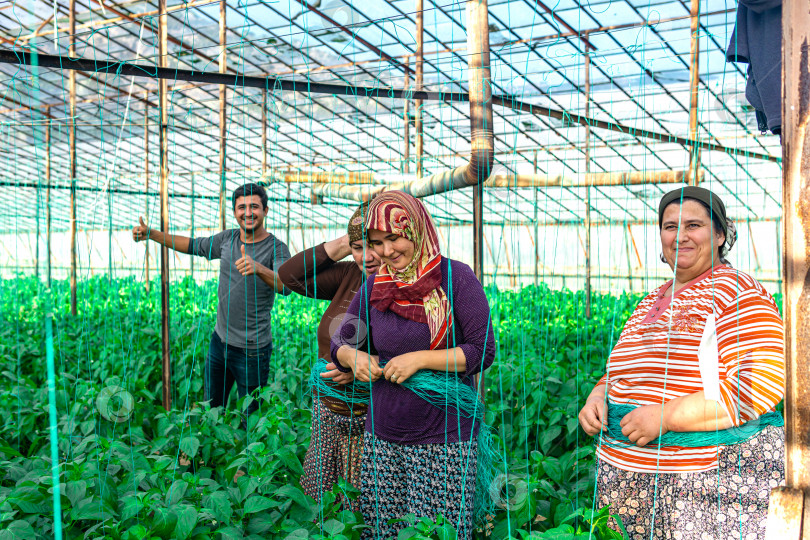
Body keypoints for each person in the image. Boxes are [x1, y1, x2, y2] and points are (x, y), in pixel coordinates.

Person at [578, 186, 785, 539]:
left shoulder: (737, 289)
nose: (680, 236)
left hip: (703, 482)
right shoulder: (651, 299)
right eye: (670, 226)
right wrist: (597, 397)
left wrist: (666, 416)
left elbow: (760, 383)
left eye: (694, 225)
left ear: (720, 234)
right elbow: (622, 370)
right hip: (630, 478)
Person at [330, 191, 496, 540]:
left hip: (444, 438)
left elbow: (482, 350)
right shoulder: (375, 285)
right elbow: (342, 340)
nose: (387, 252)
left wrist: (418, 359)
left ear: (416, 229)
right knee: (384, 531)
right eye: (377, 243)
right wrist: (352, 357)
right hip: (382, 436)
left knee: (437, 532)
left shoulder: (456, 279)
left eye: (394, 237)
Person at [132, 183, 291, 416]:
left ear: (265, 211)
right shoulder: (227, 239)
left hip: (253, 351)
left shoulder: (276, 248)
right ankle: (210, 452)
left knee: (251, 419)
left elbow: (285, 286)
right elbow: (193, 245)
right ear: (235, 212)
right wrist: (152, 234)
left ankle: (247, 453)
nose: (248, 212)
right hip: (220, 343)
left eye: (254, 206)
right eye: (241, 207)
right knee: (211, 412)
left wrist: (258, 268)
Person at [276, 204, 381, 506]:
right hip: (328, 411)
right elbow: (288, 276)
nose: (368, 256)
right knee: (320, 499)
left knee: (360, 502)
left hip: (368, 415)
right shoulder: (349, 275)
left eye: (375, 245)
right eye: (360, 247)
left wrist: (355, 366)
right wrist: (345, 244)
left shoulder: (403, 288)